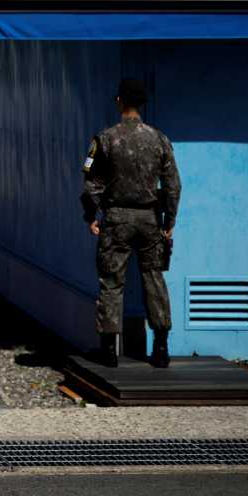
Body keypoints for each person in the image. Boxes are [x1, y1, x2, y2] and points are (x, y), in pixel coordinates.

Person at [81, 77, 181, 369]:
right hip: (150, 219)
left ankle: (110, 349)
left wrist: (92, 215)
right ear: (142, 104)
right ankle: (160, 347)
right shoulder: (159, 139)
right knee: (153, 278)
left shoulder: (104, 139)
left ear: (119, 101)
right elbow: (173, 184)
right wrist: (169, 219)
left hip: (116, 220)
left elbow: (91, 183)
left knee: (112, 282)